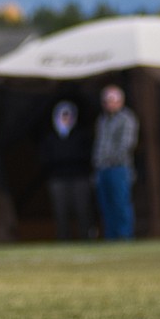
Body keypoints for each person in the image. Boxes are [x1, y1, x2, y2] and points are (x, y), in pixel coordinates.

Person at [39, 100, 93, 240]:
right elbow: (45, 158)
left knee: (82, 209)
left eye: (68, 115)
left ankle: (85, 237)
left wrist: (66, 158)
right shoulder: (50, 137)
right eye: (63, 115)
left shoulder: (81, 134)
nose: (66, 118)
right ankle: (63, 239)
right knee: (60, 211)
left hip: (79, 177)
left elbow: (88, 155)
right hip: (58, 178)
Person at [93, 84, 138, 240]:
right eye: (106, 101)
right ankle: (111, 237)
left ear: (120, 101)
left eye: (112, 100)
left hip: (119, 168)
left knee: (121, 204)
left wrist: (108, 159)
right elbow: (99, 144)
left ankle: (124, 236)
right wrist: (98, 163)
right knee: (106, 206)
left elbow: (126, 145)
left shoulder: (126, 119)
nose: (108, 104)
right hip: (103, 169)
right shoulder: (102, 120)